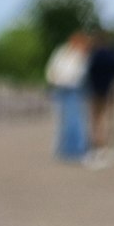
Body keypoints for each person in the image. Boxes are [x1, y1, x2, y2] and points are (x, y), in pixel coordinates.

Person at [45, 32, 90, 160]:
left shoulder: (81, 55)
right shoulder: (62, 52)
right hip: (61, 87)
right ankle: (64, 149)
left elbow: (80, 74)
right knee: (62, 120)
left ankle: (74, 150)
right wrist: (54, 80)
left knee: (73, 120)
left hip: (73, 88)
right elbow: (52, 69)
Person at [85, 30, 114, 162]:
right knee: (107, 119)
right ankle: (105, 146)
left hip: (96, 91)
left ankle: (97, 146)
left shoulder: (94, 55)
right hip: (109, 91)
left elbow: (88, 73)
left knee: (96, 119)